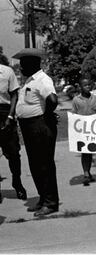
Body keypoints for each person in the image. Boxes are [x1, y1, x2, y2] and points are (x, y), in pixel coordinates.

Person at [13, 48, 59, 217]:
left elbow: (52, 100)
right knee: (35, 165)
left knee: (44, 164)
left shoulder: (42, 80)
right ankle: (43, 198)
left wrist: (46, 117)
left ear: (33, 64)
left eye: (23, 64)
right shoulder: (29, 81)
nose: (21, 68)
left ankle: (51, 202)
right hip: (29, 127)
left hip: (40, 126)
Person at [0, 55, 27, 203]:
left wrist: (10, 117)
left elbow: (14, 95)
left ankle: (17, 183)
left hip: (5, 113)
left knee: (13, 153)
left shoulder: (7, 72)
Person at [72, 78, 96, 186]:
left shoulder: (95, 99)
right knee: (85, 152)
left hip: (93, 131)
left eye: (89, 85)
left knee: (90, 152)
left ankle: (88, 172)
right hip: (82, 131)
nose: (87, 87)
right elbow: (73, 115)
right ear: (80, 87)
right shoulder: (76, 100)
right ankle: (85, 174)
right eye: (85, 85)